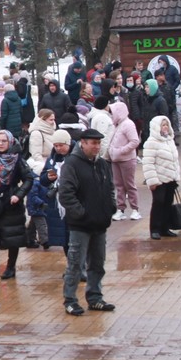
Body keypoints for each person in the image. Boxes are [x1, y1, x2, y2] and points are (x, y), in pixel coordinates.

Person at [58, 129, 117, 315]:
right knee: (75, 264)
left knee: (98, 264)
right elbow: (66, 194)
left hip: (100, 223)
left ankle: (95, 297)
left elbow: (110, 188)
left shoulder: (102, 164)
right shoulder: (72, 164)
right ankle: (70, 300)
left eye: (99, 143)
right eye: (93, 143)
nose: (97, 147)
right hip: (80, 225)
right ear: (83, 143)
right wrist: (81, 213)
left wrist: (110, 208)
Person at [0, 129, 33, 279]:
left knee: (12, 236)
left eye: (4, 141)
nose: (1, 144)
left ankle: (11, 267)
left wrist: (18, 194)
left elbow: (29, 179)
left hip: (11, 202)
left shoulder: (17, 159)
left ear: (10, 142)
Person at [141, 116, 181, 239]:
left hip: (170, 178)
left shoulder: (170, 140)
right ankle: (155, 229)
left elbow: (175, 160)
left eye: (166, 125)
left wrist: (176, 175)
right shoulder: (151, 142)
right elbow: (148, 163)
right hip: (159, 179)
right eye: (162, 125)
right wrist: (152, 181)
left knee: (168, 203)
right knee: (158, 203)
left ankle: (165, 228)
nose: (165, 127)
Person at [107, 102, 140, 220]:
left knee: (129, 185)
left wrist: (121, 150)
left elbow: (135, 141)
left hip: (127, 159)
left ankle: (135, 209)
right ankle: (120, 209)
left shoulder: (128, 124)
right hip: (115, 159)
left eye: (113, 112)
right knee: (119, 185)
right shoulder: (116, 124)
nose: (111, 115)